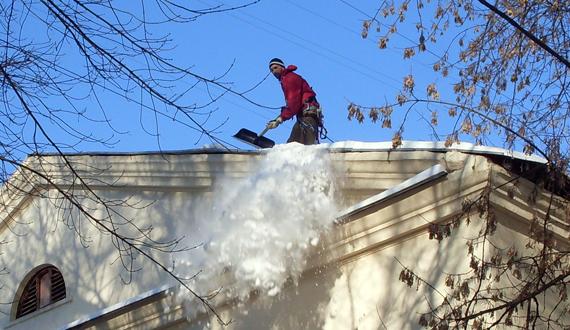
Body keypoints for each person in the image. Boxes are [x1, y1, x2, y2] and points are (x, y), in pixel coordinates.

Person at [266, 58, 322, 145]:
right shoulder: (285, 79)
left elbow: (293, 103)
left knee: (300, 147)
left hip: (308, 116)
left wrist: (280, 119)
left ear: (282, 67)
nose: (273, 72)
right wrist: (280, 117)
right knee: (293, 146)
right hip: (303, 117)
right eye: (271, 70)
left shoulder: (290, 78)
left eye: (275, 68)